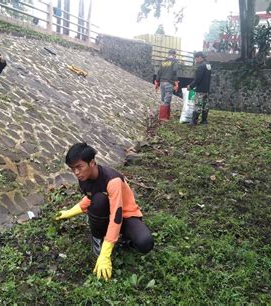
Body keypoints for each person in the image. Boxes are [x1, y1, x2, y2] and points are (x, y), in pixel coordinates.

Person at [55, 143, 154, 281]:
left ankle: (122, 239)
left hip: (125, 215)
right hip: (107, 214)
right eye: (73, 169)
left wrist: (105, 254)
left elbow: (117, 215)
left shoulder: (112, 180)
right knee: (99, 199)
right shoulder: (83, 179)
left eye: (79, 167)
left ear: (92, 162)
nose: (76, 172)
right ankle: (97, 237)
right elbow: (89, 198)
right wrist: (69, 212)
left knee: (145, 242)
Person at [153, 49, 179, 121]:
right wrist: (176, 82)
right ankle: (163, 117)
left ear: (168, 54)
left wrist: (157, 82)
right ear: (174, 54)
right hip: (169, 82)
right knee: (167, 99)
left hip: (162, 82)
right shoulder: (175, 61)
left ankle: (167, 116)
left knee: (163, 99)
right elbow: (174, 71)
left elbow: (159, 72)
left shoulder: (163, 62)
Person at [187, 51, 212, 125]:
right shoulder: (208, 65)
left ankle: (194, 121)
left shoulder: (201, 66)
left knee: (197, 104)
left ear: (200, 57)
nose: (195, 60)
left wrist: (191, 86)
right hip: (206, 89)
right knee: (205, 105)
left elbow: (197, 79)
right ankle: (204, 121)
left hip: (200, 89)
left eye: (196, 58)